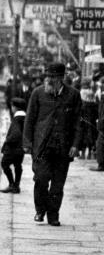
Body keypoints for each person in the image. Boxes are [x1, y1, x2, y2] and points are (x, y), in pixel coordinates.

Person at [23, 62, 82, 226]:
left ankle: (53, 215)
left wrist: (75, 145)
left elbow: (78, 123)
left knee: (58, 185)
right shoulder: (38, 93)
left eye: (52, 77)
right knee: (41, 179)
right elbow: (29, 119)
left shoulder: (73, 95)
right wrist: (27, 142)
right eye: (47, 76)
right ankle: (40, 210)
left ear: (61, 78)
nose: (48, 80)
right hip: (42, 147)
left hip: (63, 148)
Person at [0, 97, 27, 193]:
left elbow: (16, 134)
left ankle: (12, 184)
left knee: (4, 164)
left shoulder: (16, 119)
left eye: (12, 106)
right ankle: (16, 185)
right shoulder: (25, 118)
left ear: (15, 107)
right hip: (21, 148)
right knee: (18, 165)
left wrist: (8, 140)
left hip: (13, 148)